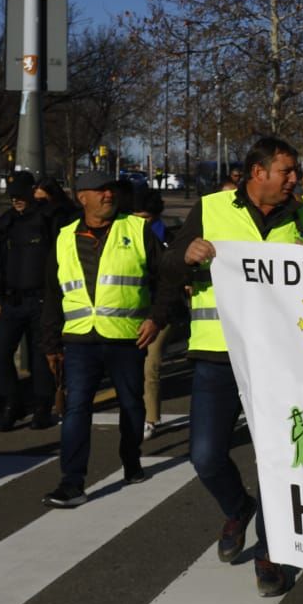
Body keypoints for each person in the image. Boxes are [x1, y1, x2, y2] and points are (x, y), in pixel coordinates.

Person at [161, 136, 303, 598]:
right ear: (257, 173)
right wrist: (185, 257)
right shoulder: (210, 209)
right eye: (286, 171)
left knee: (278, 461)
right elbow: (167, 265)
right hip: (217, 354)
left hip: (280, 361)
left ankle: (271, 554)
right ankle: (237, 507)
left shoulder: (302, 218)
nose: (294, 180)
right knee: (205, 455)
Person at [39, 170, 165, 509]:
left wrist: (156, 318)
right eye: (101, 190)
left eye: (111, 190)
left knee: (131, 404)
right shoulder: (64, 238)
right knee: (77, 408)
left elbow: (166, 278)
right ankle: (72, 482)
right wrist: (50, 343)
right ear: (83, 197)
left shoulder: (137, 229)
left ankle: (131, 456)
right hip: (80, 339)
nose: (108, 195)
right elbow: (52, 295)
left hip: (127, 337)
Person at [0, 172, 56, 431]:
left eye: (21, 194)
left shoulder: (47, 218)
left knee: (41, 356)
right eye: (12, 195)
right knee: (0, 354)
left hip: (42, 299)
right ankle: (12, 403)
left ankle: (42, 406)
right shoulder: (6, 223)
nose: (16, 200)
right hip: (12, 300)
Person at [135, 188, 174, 440]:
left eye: (146, 219)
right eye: (137, 218)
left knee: (152, 364)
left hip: (161, 312)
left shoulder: (168, 239)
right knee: (133, 367)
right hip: (132, 311)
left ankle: (150, 417)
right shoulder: (124, 239)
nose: (141, 224)